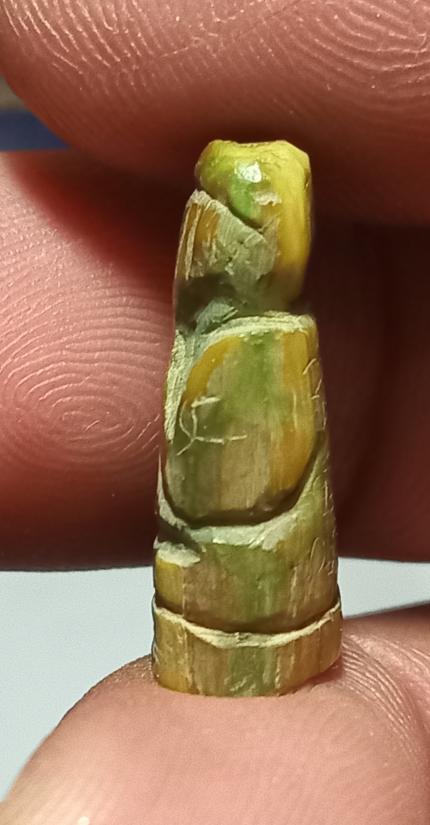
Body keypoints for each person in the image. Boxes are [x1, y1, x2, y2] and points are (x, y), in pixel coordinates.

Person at [0, 1, 429, 822]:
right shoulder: (238, 339)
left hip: (259, 611)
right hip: (218, 610)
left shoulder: (262, 342)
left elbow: (253, 483)